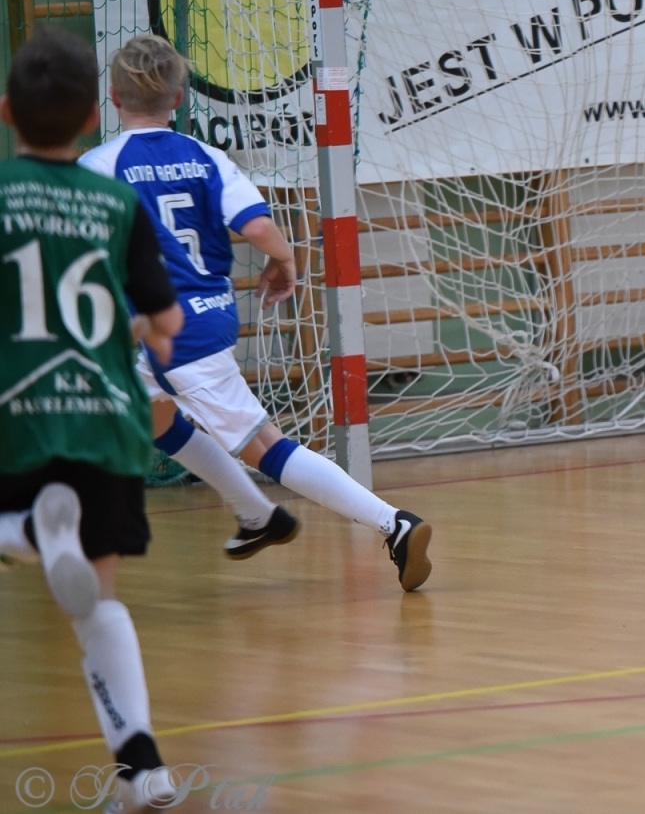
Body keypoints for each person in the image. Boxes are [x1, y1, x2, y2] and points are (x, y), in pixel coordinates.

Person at [80, 35, 432, 591]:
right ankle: (255, 517)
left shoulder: (99, 166)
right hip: (207, 315)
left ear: (114, 99)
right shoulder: (206, 158)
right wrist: (284, 259)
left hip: (165, 330)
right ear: (178, 99)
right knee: (155, 419)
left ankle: (393, 523)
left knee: (265, 445)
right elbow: (259, 227)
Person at [0, 28, 186, 812]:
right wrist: (135, 326)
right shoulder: (117, 202)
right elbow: (166, 323)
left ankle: (24, 534)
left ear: (6, 113)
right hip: (106, 418)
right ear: (89, 122)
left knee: (46, 545)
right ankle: (143, 768)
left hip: (19, 413)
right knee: (99, 604)